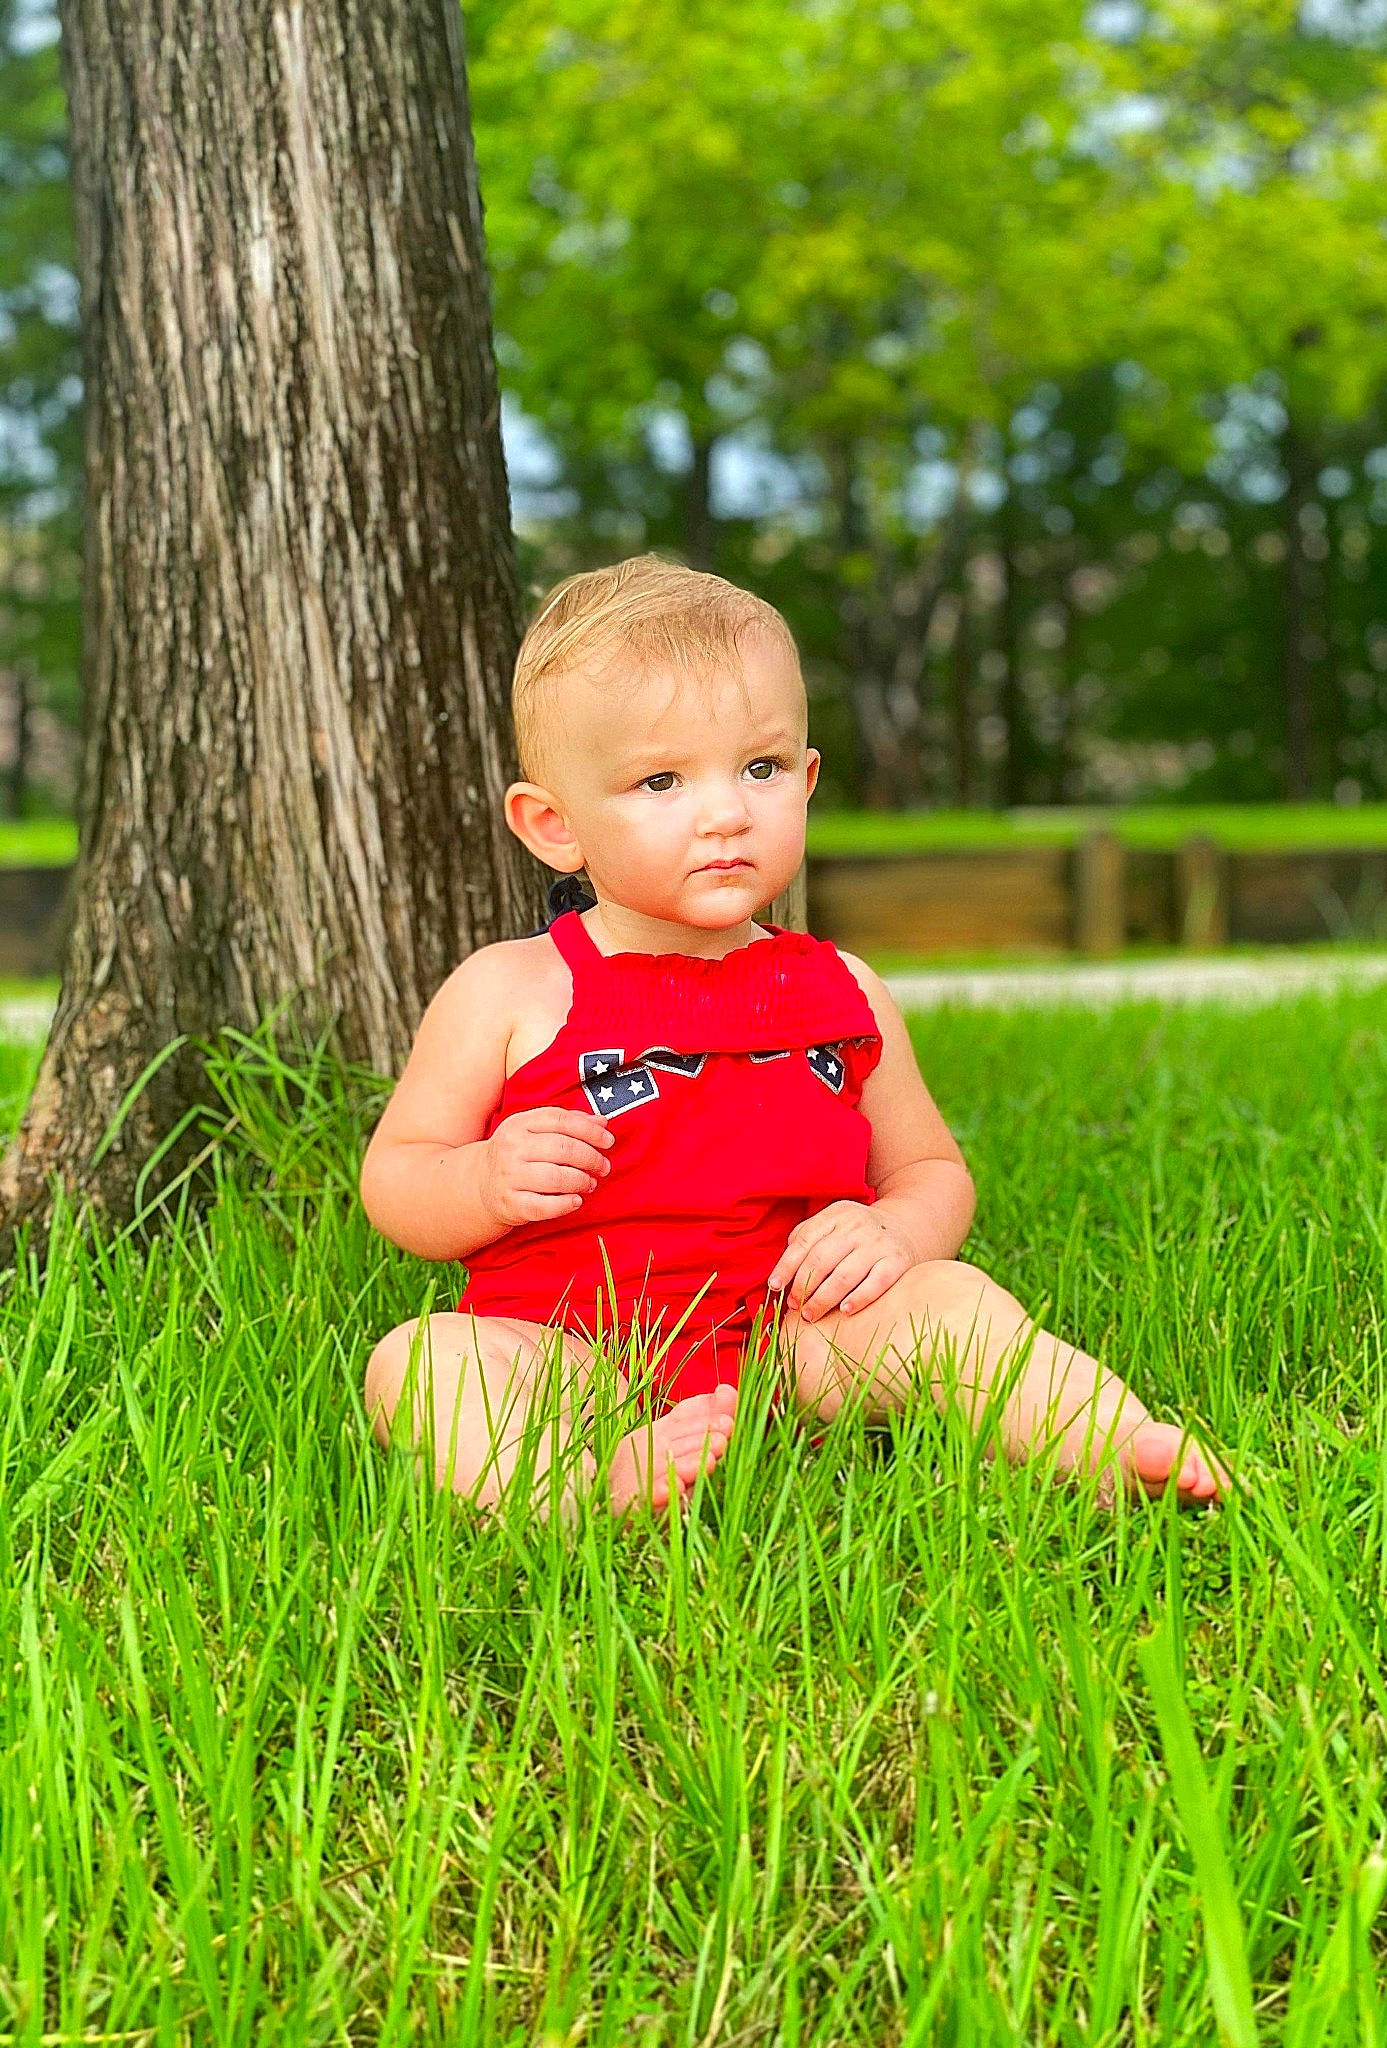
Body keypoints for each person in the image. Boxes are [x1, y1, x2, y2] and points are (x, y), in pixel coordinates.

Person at [360, 556, 1228, 1520]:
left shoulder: (843, 991)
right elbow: (397, 1175)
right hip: (569, 1348)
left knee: (951, 1300)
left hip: (800, 1338)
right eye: (661, 781)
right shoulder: (509, 989)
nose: (727, 813)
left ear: (807, 781)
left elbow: (931, 1170)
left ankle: (1109, 1445)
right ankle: (573, 1497)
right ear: (554, 825)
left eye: (761, 768)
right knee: (422, 1363)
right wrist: (483, 1180)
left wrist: (895, 1231)